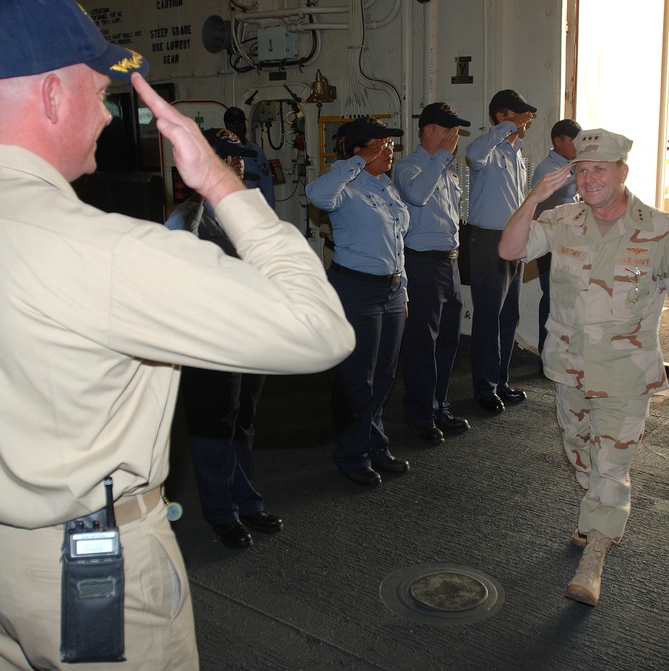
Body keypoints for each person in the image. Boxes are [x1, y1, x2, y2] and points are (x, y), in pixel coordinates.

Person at [0, 0, 354, 670]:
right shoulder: (107, 251)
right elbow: (320, 329)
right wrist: (220, 183)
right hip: (87, 574)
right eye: (100, 94)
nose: (105, 115)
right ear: (52, 95)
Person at [499, 128, 669, 608]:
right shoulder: (563, 219)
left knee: (612, 464)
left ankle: (594, 557)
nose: (589, 178)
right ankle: (594, 514)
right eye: (581, 169)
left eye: (600, 169)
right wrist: (534, 197)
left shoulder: (658, 229)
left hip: (626, 372)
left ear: (622, 173)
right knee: (579, 450)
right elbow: (510, 250)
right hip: (569, 367)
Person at [167, 128, 282, 550]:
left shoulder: (246, 208)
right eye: (225, 157)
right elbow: (173, 251)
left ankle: (246, 500)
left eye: (237, 158)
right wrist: (200, 194)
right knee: (214, 427)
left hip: (249, 333)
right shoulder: (186, 213)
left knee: (244, 422)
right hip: (210, 340)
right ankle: (222, 513)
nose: (235, 164)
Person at [306, 117, 411, 487]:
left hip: (391, 291)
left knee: (383, 376)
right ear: (357, 150)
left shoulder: (385, 186)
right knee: (356, 379)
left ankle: (375, 446)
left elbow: (396, 244)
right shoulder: (343, 185)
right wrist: (356, 162)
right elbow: (317, 197)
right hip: (356, 291)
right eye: (380, 145)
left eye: (390, 145)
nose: (389, 151)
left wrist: (405, 292)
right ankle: (352, 455)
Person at [393, 101, 472, 445]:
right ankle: (419, 415)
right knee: (422, 344)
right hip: (421, 263)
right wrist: (442, 157)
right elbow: (418, 196)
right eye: (448, 129)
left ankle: (439, 406)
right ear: (429, 131)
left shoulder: (448, 170)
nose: (455, 135)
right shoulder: (409, 167)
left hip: (449, 262)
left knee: (448, 341)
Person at [465, 89, 537, 413]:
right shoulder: (488, 152)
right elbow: (472, 153)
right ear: (500, 116)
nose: (525, 119)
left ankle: (501, 381)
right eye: (517, 114)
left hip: (512, 240)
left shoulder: (518, 155)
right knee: (488, 317)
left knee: (509, 315)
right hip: (487, 242)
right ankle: (484, 388)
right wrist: (507, 127)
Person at [531, 118, 581, 356]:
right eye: (574, 141)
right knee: (552, 300)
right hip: (550, 244)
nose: (578, 147)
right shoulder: (548, 169)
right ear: (558, 141)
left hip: (568, 244)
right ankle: (547, 355)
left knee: (567, 300)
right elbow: (566, 191)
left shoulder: (570, 166)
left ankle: (564, 354)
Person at [224, 106, 276, 210]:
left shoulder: (256, 151)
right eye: (234, 125)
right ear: (227, 127)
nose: (238, 128)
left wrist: (270, 212)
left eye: (241, 124)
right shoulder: (222, 151)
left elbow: (267, 183)